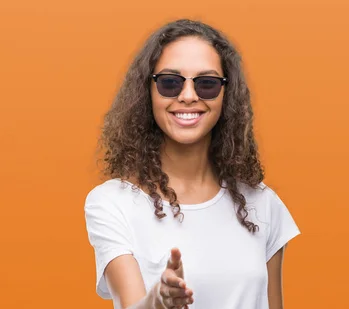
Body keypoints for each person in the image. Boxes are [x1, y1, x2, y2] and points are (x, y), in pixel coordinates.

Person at [83, 19, 301, 309]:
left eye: (207, 84)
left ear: (227, 95)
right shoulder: (112, 203)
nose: (188, 96)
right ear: (148, 91)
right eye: (170, 83)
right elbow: (130, 302)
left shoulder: (262, 203)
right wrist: (158, 301)